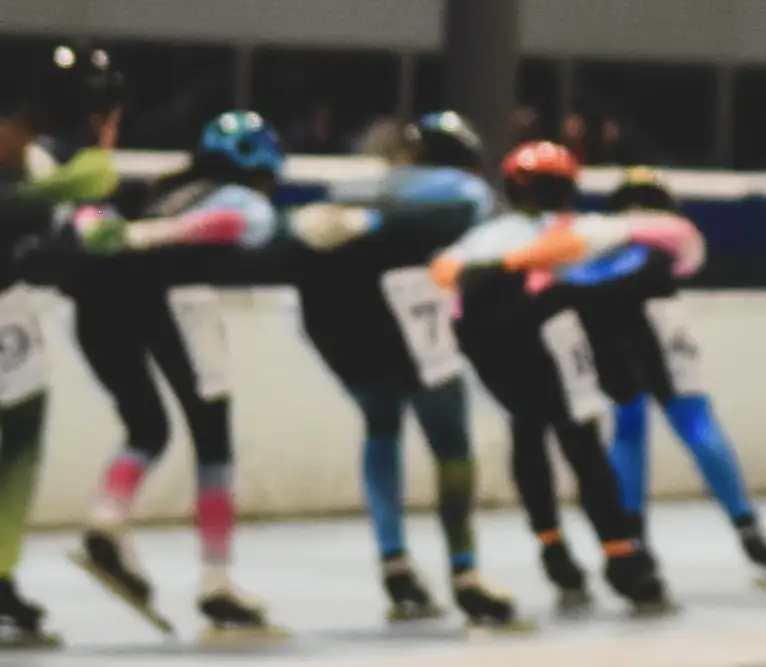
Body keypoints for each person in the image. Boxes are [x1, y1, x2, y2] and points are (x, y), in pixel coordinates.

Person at [57, 110, 290, 638]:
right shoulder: (239, 197)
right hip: (181, 304)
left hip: (101, 305)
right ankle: (216, 580)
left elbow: (92, 219)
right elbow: (242, 224)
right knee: (214, 442)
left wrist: (127, 232)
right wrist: (159, 236)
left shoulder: (162, 189)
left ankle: (107, 517)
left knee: (146, 426)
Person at [281, 110, 517, 627]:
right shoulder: (465, 190)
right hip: (410, 307)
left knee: (381, 426)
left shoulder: (359, 186)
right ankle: (465, 570)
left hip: (339, 316)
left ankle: (394, 563)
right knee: (451, 444)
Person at [430, 141, 666, 615]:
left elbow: (445, 271)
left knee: (529, 432)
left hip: (492, 346)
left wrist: (498, 268)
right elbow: (658, 238)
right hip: (548, 340)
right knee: (580, 440)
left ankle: (554, 545)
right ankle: (620, 556)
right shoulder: (576, 229)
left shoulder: (490, 236)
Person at [594, 167, 766, 595]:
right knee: (695, 422)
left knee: (628, 428)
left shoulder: (604, 233)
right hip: (661, 317)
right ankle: (748, 529)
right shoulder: (677, 231)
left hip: (613, 323)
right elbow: (691, 261)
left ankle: (633, 540)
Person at [0, 44, 127, 646]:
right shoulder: (26, 152)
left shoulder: (37, 155)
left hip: (10, 308)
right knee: (18, 439)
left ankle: (1, 575)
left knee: (22, 433)